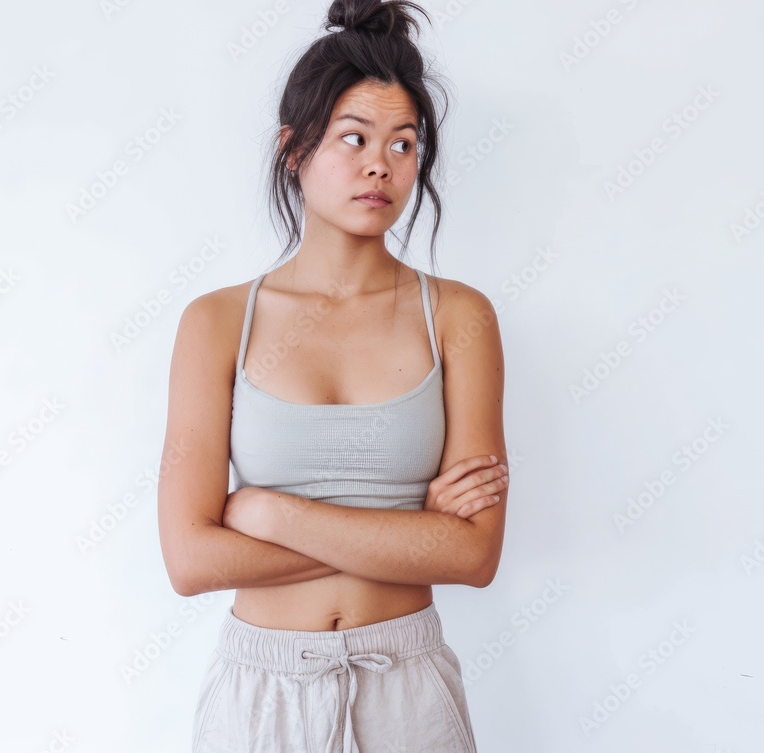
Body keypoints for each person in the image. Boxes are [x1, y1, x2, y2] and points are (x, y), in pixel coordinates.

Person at [156, 1, 509, 750]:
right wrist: (419, 532)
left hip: (408, 688)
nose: (381, 163)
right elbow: (189, 560)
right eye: (354, 138)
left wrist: (267, 512)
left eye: (404, 144)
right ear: (295, 149)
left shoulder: (459, 317)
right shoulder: (217, 321)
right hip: (261, 696)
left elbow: (474, 555)